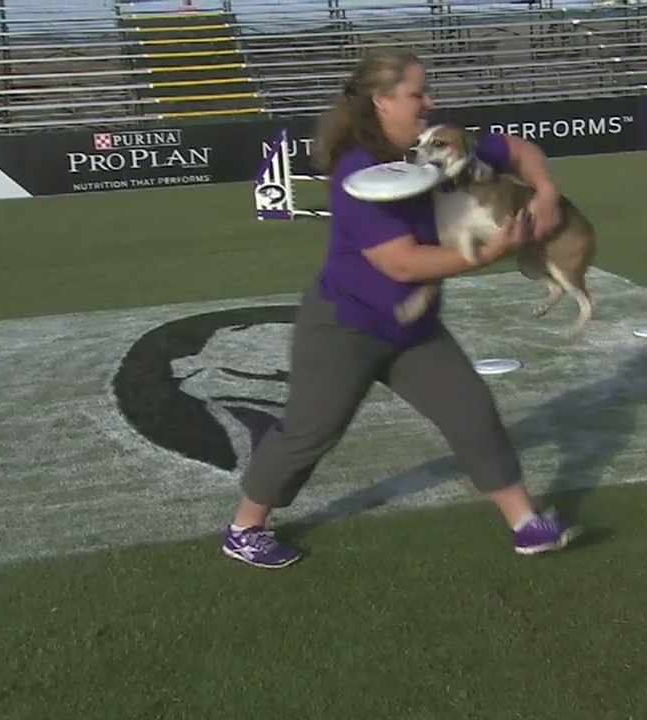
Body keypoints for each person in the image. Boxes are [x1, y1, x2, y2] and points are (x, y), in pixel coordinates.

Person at [221, 47, 580, 569]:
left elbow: (519, 149)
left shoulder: (444, 147)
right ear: (382, 101)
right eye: (417, 93)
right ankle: (244, 527)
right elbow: (404, 264)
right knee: (309, 433)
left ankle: (526, 524)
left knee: (472, 412)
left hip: (413, 323)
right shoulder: (357, 172)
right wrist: (493, 252)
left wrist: (546, 192)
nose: (428, 102)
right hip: (347, 326)